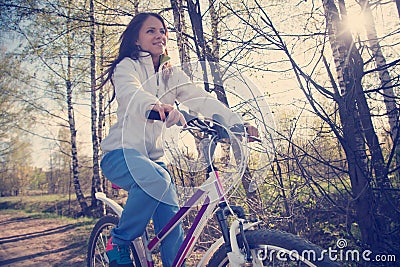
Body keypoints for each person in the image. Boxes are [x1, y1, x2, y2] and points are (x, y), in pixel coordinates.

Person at [99, 12, 258, 267]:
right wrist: (157, 106)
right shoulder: (127, 66)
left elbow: (200, 97)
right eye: (150, 31)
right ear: (137, 40)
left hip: (154, 160)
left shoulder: (170, 74)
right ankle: (118, 242)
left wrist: (235, 122)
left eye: (162, 31)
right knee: (159, 180)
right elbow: (131, 93)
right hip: (120, 154)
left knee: (172, 225)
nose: (159, 35)